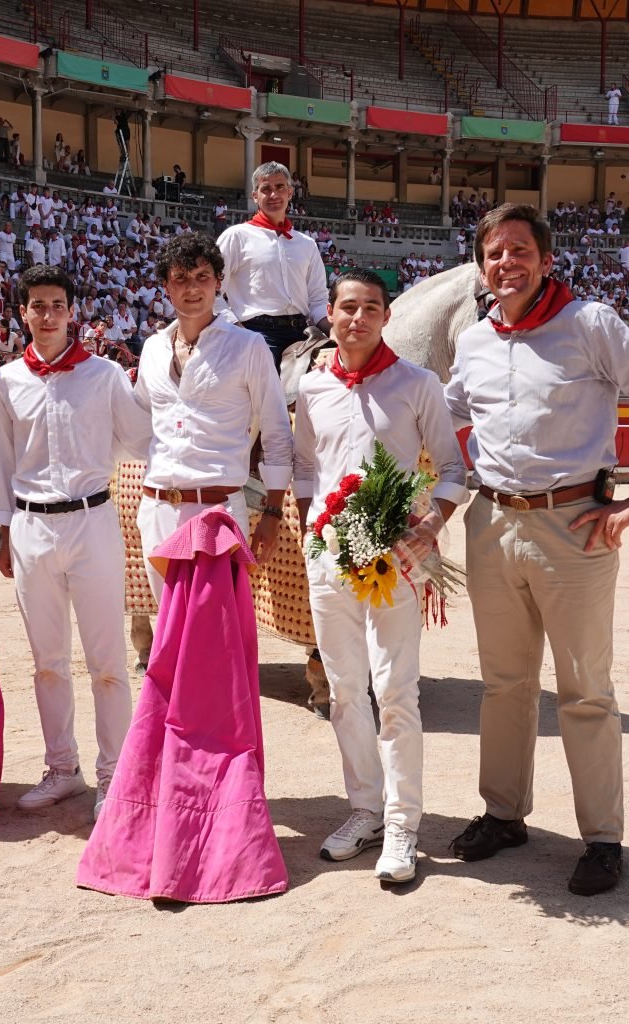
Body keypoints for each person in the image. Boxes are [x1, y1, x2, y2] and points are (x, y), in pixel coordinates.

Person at [442, 203, 629, 897]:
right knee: (503, 683)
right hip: (490, 521)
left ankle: (603, 839)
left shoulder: (590, 324)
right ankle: (503, 814)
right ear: (482, 267)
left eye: (520, 251)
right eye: (495, 253)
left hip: (574, 523)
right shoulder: (475, 341)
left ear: (546, 261)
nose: (507, 264)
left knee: (584, 689)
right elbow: (447, 415)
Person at [293, 269, 468, 885]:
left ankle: (403, 822)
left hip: (390, 553)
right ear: (332, 317)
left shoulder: (419, 384)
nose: (358, 318)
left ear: (386, 317)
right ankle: (364, 809)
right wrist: (312, 527)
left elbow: (451, 468)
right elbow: (306, 468)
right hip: (328, 551)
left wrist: (428, 526)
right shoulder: (313, 389)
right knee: (343, 690)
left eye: (371, 307)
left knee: (395, 690)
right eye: (348, 307)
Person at [0, 264, 152, 819]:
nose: (48, 314)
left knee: (107, 659)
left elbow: (139, 438)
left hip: (91, 520)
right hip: (32, 525)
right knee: (47, 661)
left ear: (71, 311)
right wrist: (6, 532)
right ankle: (63, 767)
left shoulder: (105, 375)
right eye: (37, 305)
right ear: (23, 312)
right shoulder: (6, 379)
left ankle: (115, 774)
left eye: (57, 304)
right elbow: (6, 463)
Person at [134, 231, 292, 598]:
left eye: (202, 277)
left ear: (219, 283)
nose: (192, 288)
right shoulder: (153, 348)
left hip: (217, 511)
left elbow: (276, 431)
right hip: (157, 510)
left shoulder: (248, 345)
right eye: (181, 278)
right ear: (166, 287)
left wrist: (272, 513)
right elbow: (139, 422)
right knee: (171, 635)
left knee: (215, 636)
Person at [216, 161, 331, 371]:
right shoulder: (236, 236)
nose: (273, 195)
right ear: (255, 196)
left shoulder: (307, 244)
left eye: (279, 187)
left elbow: (317, 299)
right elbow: (212, 293)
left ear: (290, 192)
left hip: (304, 332)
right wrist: (237, 330)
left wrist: (337, 332)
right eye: (265, 189)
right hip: (257, 332)